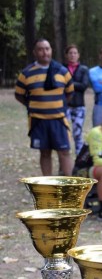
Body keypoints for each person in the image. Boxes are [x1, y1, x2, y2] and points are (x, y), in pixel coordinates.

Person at [15, 39, 75, 177]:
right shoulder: (26, 73)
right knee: (45, 152)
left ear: (51, 50)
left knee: (65, 152)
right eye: (41, 49)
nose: (45, 52)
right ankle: (48, 183)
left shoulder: (62, 71)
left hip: (58, 120)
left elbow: (70, 93)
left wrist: (57, 105)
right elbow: (19, 95)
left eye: (47, 49)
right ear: (35, 52)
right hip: (38, 121)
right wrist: (34, 105)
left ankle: (70, 184)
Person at [64, 44, 89, 155]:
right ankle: (64, 162)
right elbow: (58, 85)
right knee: (64, 134)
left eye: (75, 53)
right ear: (66, 55)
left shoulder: (83, 69)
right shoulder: (61, 68)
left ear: (78, 55)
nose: (73, 55)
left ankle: (79, 162)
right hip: (64, 105)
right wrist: (74, 85)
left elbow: (84, 86)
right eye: (70, 53)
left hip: (79, 106)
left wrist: (68, 83)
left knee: (78, 134)